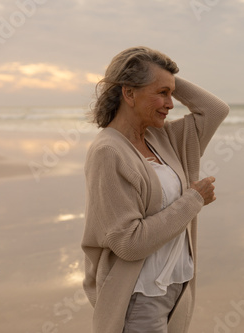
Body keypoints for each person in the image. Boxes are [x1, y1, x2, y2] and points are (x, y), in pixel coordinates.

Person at [81, 46, 229, 333]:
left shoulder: (163, 137)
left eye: (172, 93)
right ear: (129, 93)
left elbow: (215, 110)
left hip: (176, 287)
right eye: (161, 93)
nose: (171, 103)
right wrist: (193, 200)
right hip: (138, 297)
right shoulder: (108, 152)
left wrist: (163, 75)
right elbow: (129, 242)